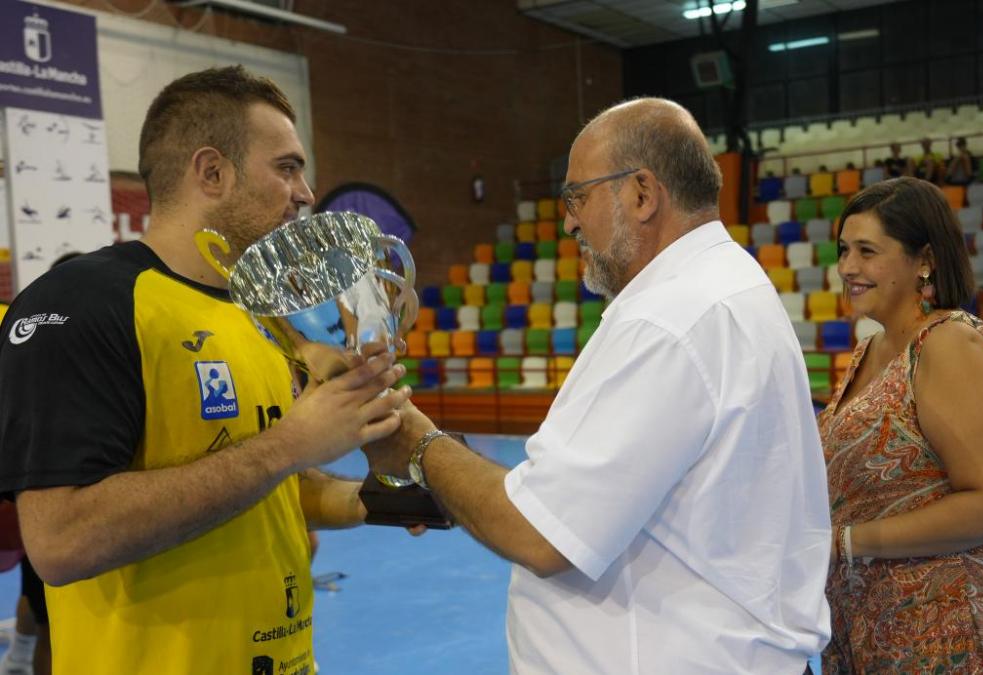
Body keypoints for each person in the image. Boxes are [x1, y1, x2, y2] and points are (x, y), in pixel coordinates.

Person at [365, 98, 833, 673]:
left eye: (577, 197)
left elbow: (541, 534)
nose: (568, 221)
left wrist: (416, 440)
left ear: (641, 193)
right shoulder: (726, 283)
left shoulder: (669, 318)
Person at [0, 66, 410, 674]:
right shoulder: (86, 304)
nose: (305, 193)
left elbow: (270, 483)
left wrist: (376, 500)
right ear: (211, 172)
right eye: (288, 167)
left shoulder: (260, 315)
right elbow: (61, 540)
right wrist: (288, 446)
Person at [820, 177, 983, 672]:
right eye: (844, 250)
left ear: (925, 260)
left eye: (867, 251)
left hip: (949, 625)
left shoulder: (949, 344)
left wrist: (845, 543)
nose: (848, 267)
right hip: (875, 621)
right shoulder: (868, 351)